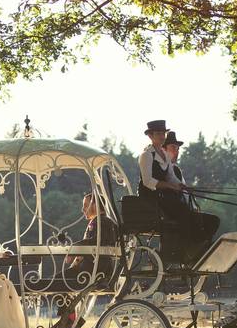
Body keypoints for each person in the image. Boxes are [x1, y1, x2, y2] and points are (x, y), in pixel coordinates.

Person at [137, 121, 217, 263]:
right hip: (150, 197)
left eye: (163, 133)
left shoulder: (164, 155)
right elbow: (148, 182)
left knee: (184, 208)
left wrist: (181, 186)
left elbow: (171, 177)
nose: (162, 136)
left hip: (164, 196)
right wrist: (170, 186)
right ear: (150, 136)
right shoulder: (146, 155)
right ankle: (187, 248)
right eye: (158, 134)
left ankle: (196, 245)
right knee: (181, 209)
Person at [162, 131, 219, 262]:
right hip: (176, 211)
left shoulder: (175, 168)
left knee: (211, 221)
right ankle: (195, 253)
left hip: (183, 209)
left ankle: (199, 251)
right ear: (163, 150)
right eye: (173, 148)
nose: (177, 152)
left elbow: (185, 194)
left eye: (178, 149)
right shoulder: (167, 168)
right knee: (212, 221)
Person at [65, 192, 119, 284]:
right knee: (55, 280)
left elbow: (97, 241)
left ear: (95, 205)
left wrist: (74, 248)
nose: (83, 209)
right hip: (97, 271)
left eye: (86, 205)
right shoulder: (105, 221)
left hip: (91, 272)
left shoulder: (100, 222)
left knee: (51, 282)